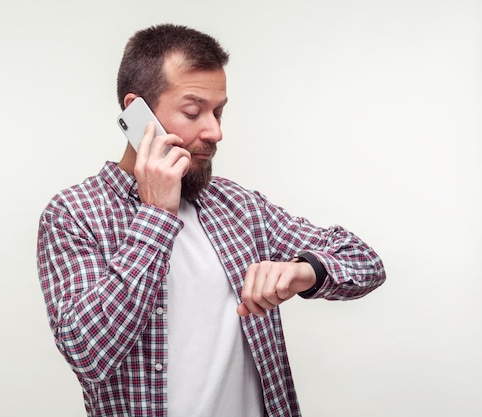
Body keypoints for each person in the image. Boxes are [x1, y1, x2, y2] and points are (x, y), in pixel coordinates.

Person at [36, 23, 386, 417]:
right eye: (193, 111)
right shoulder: (74, 214)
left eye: (218, 112)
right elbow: (88, 353)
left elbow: (365, 262)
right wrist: (156, 215)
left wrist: (305, 271)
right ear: (137, 113)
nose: (215, 131)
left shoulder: (237, 206)